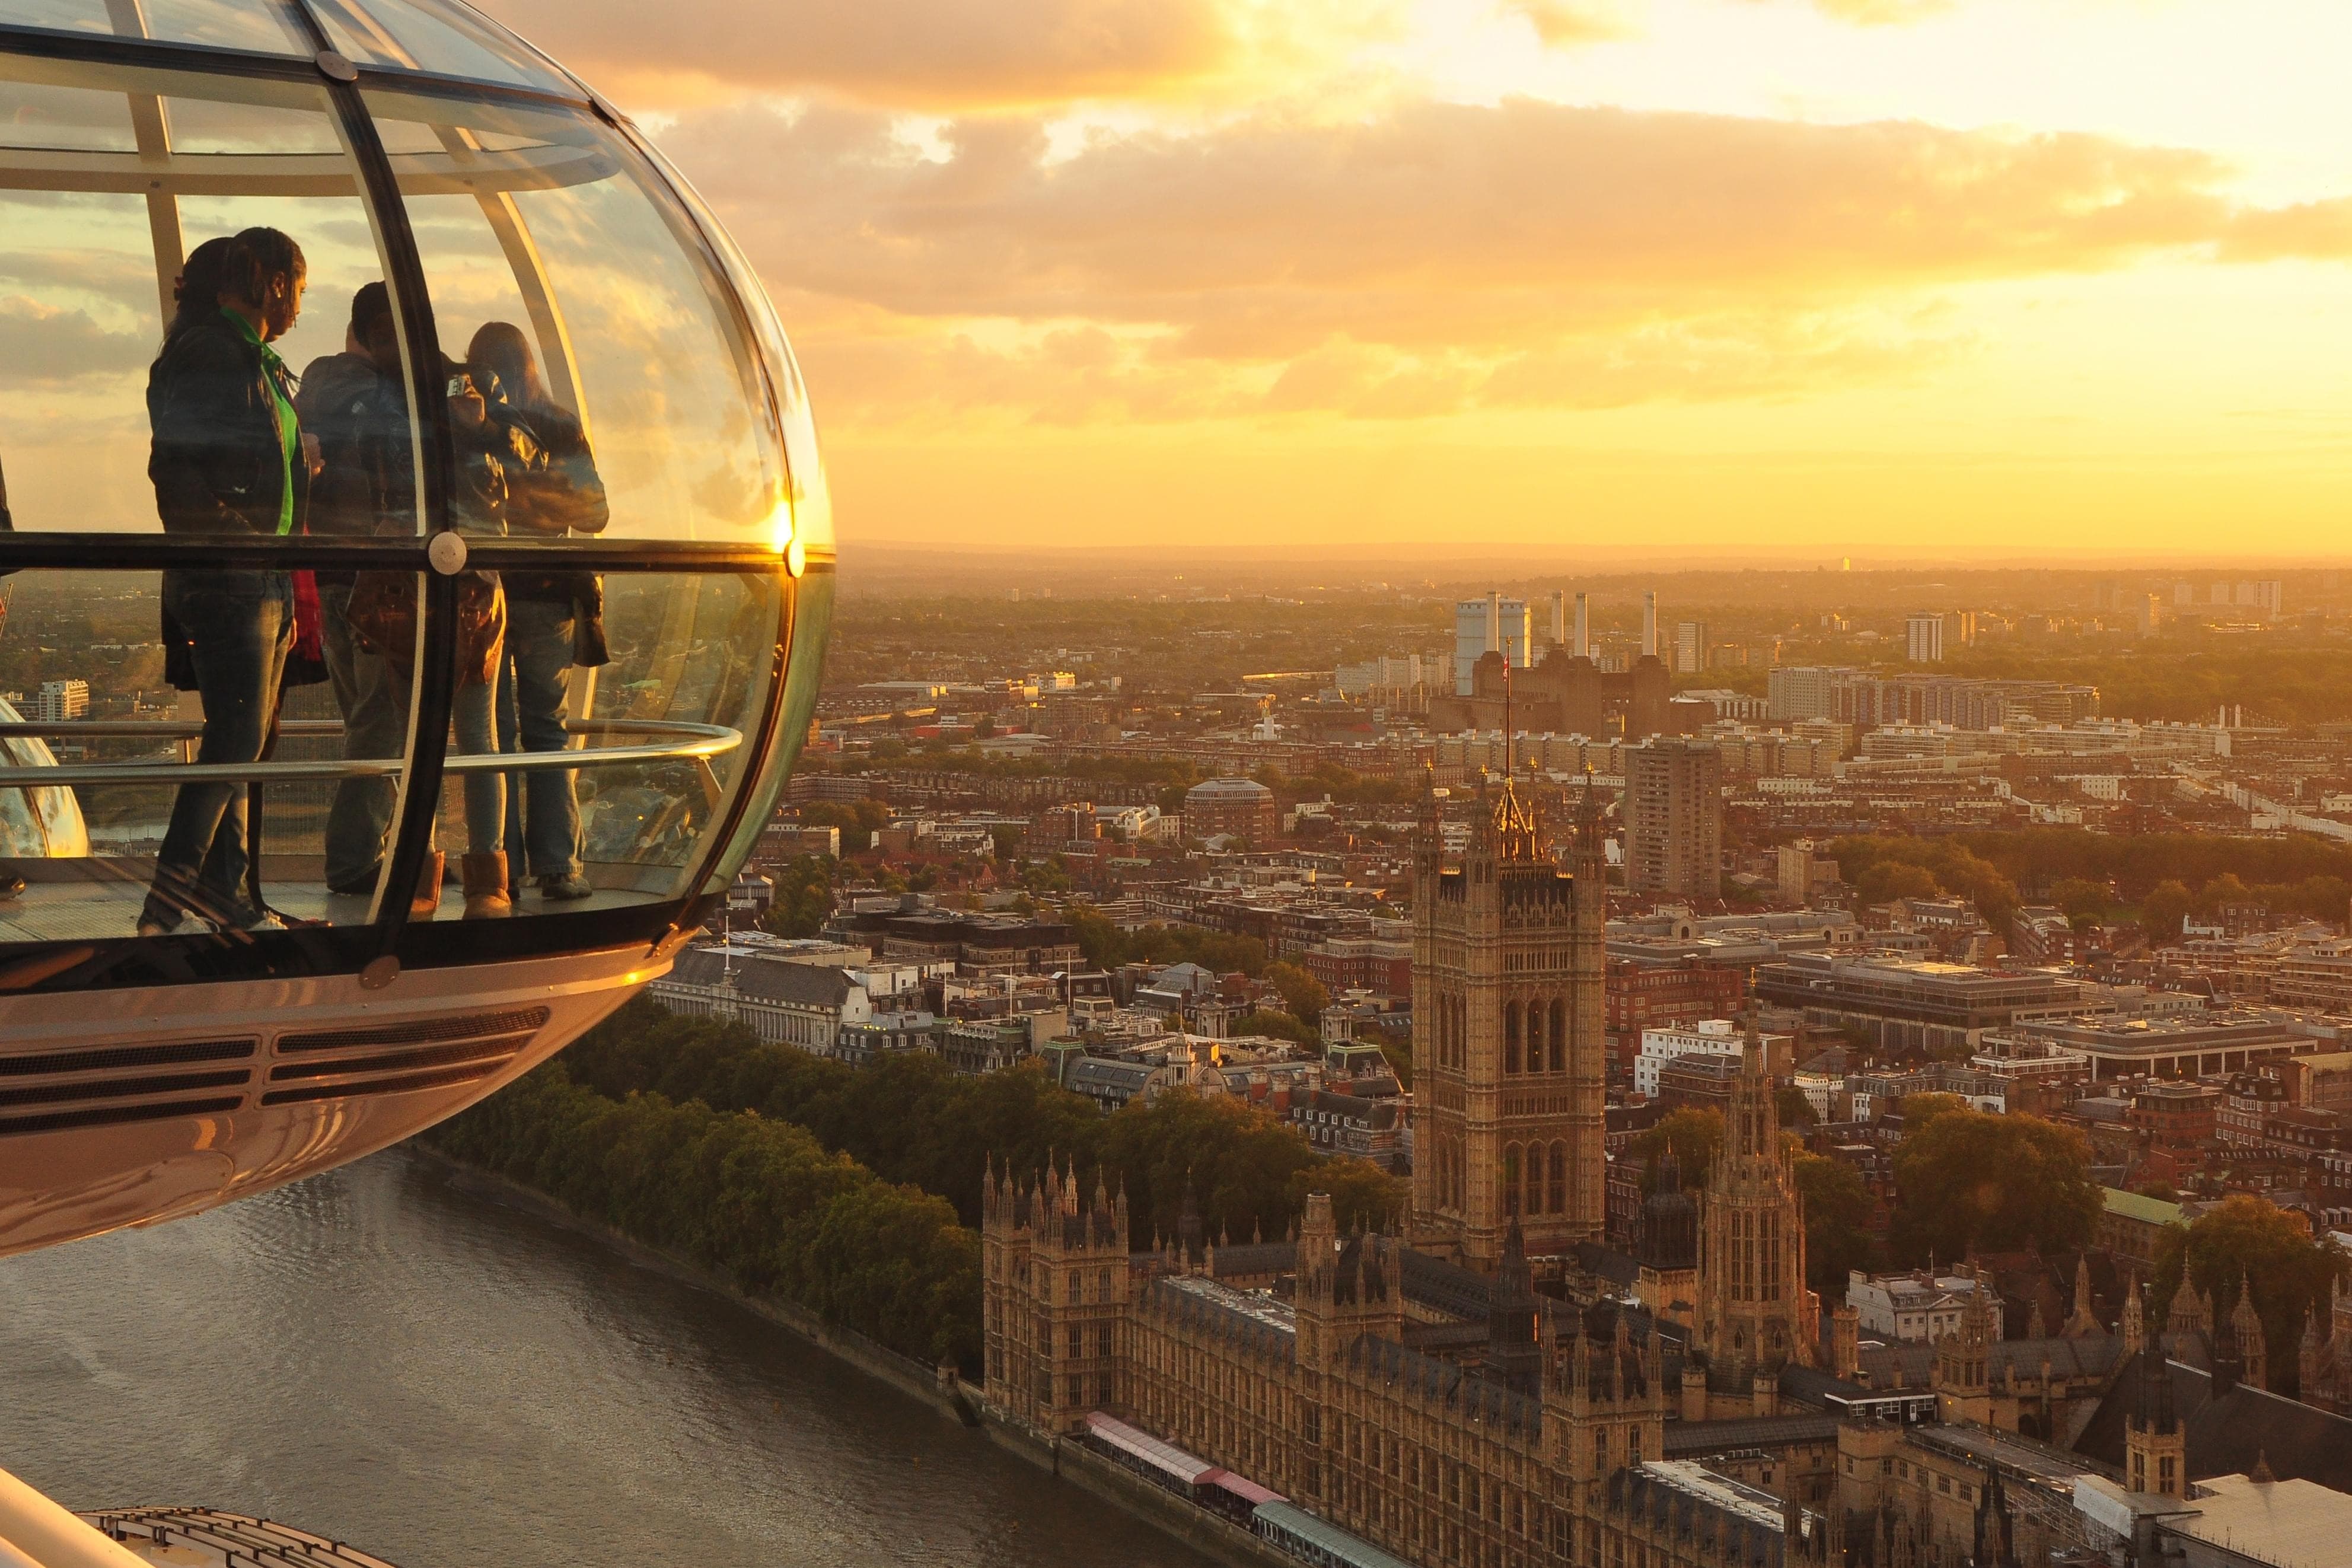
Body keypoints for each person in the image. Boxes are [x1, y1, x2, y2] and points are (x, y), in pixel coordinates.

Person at [139, 227, 306, 936]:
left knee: (244, 740)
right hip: (236, 580)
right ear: (273, 283)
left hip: (257, 579)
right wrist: (242, 546)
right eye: (300, 286)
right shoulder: (217, 353)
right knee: (235, 740)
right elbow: (176, 470)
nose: (301, 303)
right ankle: (166, 907)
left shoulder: (248, 359)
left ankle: (226, 895)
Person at [467, 321, 608, 904]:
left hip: (485, 593)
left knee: (494, 734)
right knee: (546, 729)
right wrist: (545, 498)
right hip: (548, 594)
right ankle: (558, 866)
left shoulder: (469, 427)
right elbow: (596, 512)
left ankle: (506, 869)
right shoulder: (558, 425)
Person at [299, 282, 423, 911]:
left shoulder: (313, 388)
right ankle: (355, 861)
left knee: (364, 720)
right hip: (374, 583)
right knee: (381, 724)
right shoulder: (379, 398)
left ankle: (374, 853)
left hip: (327, 579)